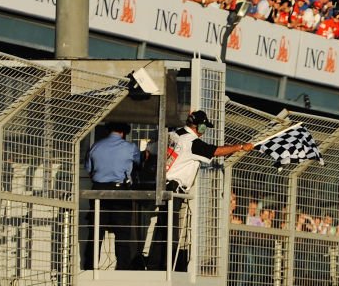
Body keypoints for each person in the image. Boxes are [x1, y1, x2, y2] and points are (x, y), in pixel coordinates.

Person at [151, 110, 253, 270]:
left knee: (162, 226)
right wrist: (240, 147)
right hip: (173, 187)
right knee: (171, 228)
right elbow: (215, 151)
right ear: (200, 126)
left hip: (162, 182)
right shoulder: (192, 142)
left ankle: (154, 262)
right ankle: (167, 265)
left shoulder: (175, 134)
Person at [85, 122, 140, 270]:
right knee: (122, 232)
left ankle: (90, 266)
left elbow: (89, 169)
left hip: (98, 191)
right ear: (124, 133)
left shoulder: (95, 146)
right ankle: (123, 267)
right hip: (120, 190)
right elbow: (138, 164)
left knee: (96, 231)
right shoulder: (130, 148)